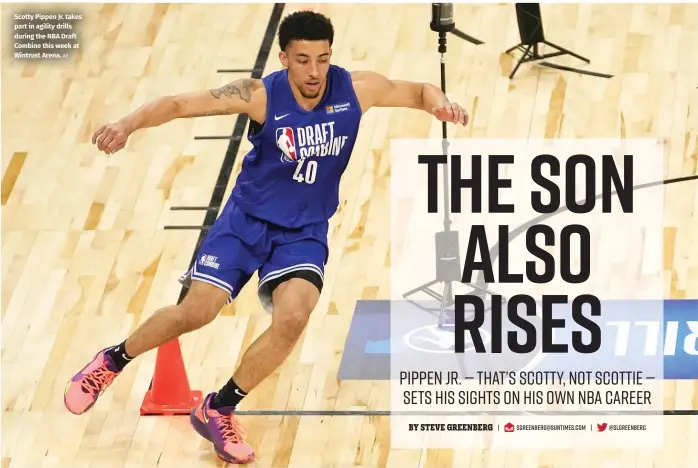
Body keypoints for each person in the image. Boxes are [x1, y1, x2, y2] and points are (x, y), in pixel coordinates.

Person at [63, 10, 468, 465]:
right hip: (246, 222)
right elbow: (178, 104)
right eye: (302, 60)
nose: (314, 71)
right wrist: (126, 125)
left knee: (294, 318)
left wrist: (439, 103)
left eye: (322, 59)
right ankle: (112, 360)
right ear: (284, 59)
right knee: (196, 312)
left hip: (304, 230)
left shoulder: (355, 88)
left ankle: (219, 407)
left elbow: (415, 90)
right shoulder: (259, 96)